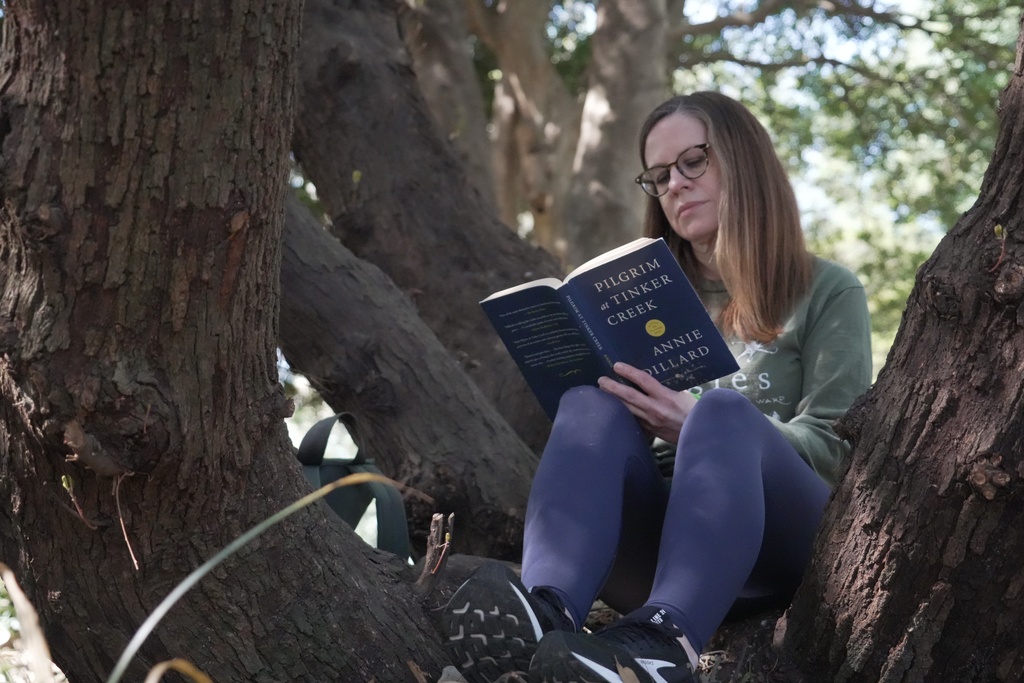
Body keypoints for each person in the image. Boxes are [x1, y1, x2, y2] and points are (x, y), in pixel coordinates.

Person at [441, 91, 873, 683]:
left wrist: (691, 421)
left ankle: (664, 648)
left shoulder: (826, 290)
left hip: (783, 541)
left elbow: (836, 448)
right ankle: (546, 612)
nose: (675, 184)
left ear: (743, 160)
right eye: (659, 175)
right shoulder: (636, 299)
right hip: (658, 549)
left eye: (693, 162)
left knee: (718, 413)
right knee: (588, 402)